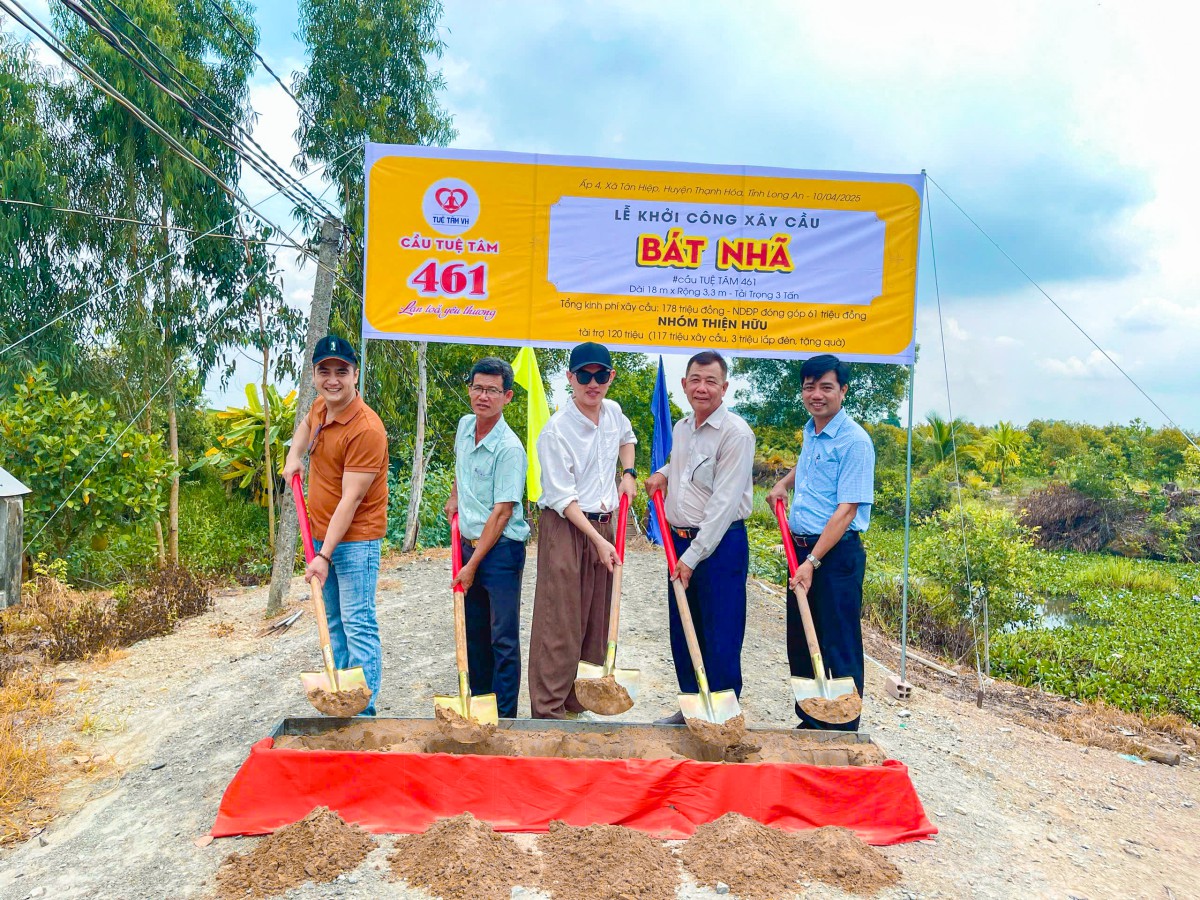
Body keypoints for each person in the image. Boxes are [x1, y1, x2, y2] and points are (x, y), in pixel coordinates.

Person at [644, 351, 755, 725]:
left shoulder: (736, 434)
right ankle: (692, 708)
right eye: (695, 379)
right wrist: (662, 473)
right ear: (684, 384)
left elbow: (723, 505)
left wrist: (692, 557)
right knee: (683, 629)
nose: (702, 388)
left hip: (719, 546)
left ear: (724, 387)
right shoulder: (682, 427)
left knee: (720, 631)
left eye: (711, 381)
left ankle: (722, 717)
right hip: (678, 541)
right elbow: (684, 463)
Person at [528, 341, 637, 719]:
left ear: (611, 377)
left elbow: (627, 439)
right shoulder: (556, 431)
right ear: (570, 378)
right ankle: (549, 711)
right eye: (584, 376)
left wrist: (628, 474)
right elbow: (563, 498)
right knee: (560, 620)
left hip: (605, 526)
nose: (593, 384)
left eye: (601, 375)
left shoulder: (613, 412)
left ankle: (578, 704)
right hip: (567, 526)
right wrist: (596, 541)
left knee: (596, 618)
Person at [766, 354, 875, 731]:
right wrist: (784, 483)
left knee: (837, 642)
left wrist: (811, 562)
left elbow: (847, 511)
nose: (817, 395)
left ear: (843, 391)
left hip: (834, 556)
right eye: (809, 387)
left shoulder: (855, 442)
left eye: (826, 387)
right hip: (801, 550)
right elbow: (809, 465)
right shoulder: (812, 431)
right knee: (801, 641)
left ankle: (842, 728)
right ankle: (813, 721)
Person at [282, 335, 388, 716]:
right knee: (335, 624)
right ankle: (343, 702)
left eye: (341, 371)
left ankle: (364, 712)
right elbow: (305, 425)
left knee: (358, 624)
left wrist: (323, 556)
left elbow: (351, 499)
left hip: (355, 541)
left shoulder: (366, 429)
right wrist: (294, 455)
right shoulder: (320, 407)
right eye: (323, 371)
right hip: (321, 538)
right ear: (314, 375)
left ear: (355, 374)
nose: (332, 379)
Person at [444, 357, 530, 719]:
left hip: (501, 551)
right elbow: (461, 470)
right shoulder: (465, 427)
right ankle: (480, 711)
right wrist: (454, 496)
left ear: (507, 396)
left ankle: (505, 718)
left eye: (493, 390)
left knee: (502, 637)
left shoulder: (510, 448)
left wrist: (472, 566)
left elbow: (502, 513)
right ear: (469, 390)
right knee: (474, 634)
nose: (484, 396)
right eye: (478, 388)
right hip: (469, 545)